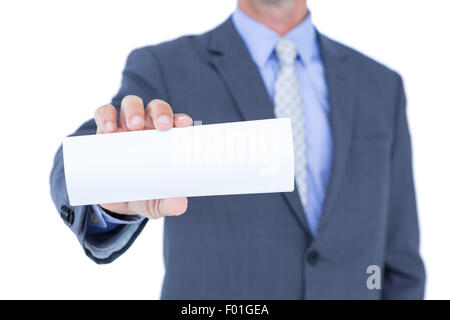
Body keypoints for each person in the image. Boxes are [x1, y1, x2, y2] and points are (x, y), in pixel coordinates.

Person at [50, 0, 425, 299]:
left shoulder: (380, 85)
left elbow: (401, 260)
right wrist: (108, 197)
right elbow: (74, 167)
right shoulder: (167, 67)